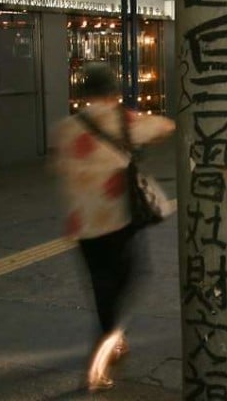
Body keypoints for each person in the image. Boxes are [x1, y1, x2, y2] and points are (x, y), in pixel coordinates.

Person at [49, 63, 174, 392]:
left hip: (82, 222)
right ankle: (103, 355)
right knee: (132, 277)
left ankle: (113, 338)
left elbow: (61, 165)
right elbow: (164, 126)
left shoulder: (65, 127)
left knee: (101, 284)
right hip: (117, 217)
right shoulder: (121, 119)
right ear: (113, 91)